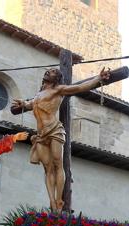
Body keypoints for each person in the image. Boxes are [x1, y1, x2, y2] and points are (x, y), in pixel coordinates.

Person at [12, 67, 111, 212]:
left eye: (52, 72)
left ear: (57, 78)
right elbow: (30, 104)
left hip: (54, 130)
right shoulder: (39, 94)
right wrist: (23, 104)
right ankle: (52, 201)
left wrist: (98, 78)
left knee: (58, 164)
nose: (48, 72)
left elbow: (79, 87)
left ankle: (59, 200)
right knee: (47, 168)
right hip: (41, 135)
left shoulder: (58, 90)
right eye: (48, 70)